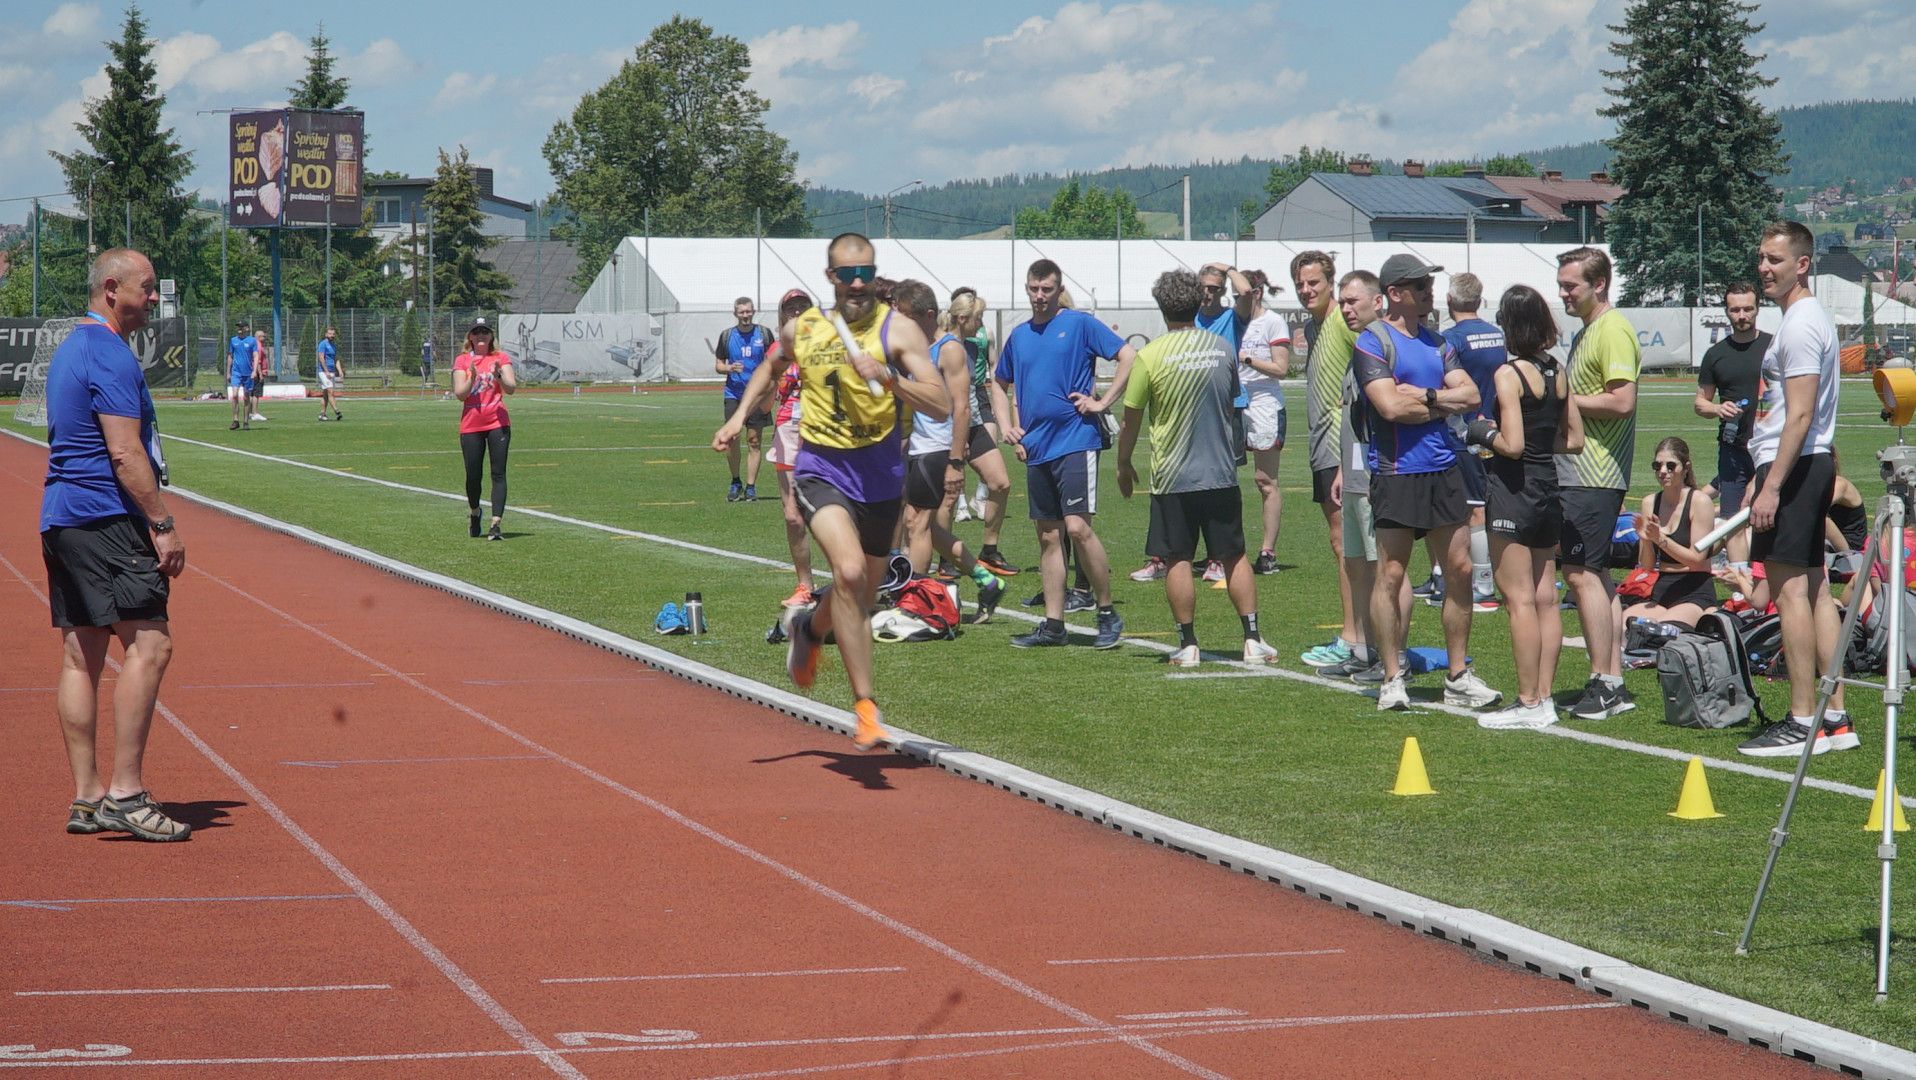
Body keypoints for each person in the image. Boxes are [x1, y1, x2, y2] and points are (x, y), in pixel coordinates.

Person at [715, 233, 948, 752]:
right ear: (831, 278)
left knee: (860, 594)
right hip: (821, 468)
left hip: (880, 475)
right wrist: (738, 417)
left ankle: (808, 629)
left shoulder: (898, 328)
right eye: (847, 274)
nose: (858, 282)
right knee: (847, 573)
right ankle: (866, 708)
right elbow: (771, 366)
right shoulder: (805, 328)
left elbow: (940, 402)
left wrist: (889, 378)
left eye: (866, 272)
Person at [40, 248, 189, 841]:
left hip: (63, 517)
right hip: (106, 518)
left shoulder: (71, 348)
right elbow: (125, 453)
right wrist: (162, 523)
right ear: (111, 288)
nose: (154, 297)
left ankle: (88, 796)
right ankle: (127, 793)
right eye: (146, 287)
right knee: (151, 645)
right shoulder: (108, 353)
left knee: (82, 655)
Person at [1352, 254, 1499, 712]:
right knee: (1392, 574)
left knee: (1460, 571)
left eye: (1428, 285)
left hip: (1444, 469)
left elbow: (1471, 395)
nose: (1428, 292)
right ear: (1395, 293)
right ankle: (1392, 677)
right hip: (1396, 473)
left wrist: (1429, 396)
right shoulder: (1372, 342)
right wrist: (1441, 405)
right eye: (1419, 286)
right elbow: (1390, 408)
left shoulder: (1439, 342)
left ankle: (1458, 676)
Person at [1115, 268, 1277, 667]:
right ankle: (1252, 639)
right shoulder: (1222, 349)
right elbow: (1232, 401)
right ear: (1198, 301)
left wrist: (1123, 463)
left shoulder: (1150, 355)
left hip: (1173, 476)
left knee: (1178, 559)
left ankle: (1188, 645)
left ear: (1161, 306)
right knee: (1235, 555)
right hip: (1220, 471)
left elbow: (1131, 418)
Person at [1738, 221, 1853, 758]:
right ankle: (1835, 715)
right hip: (1799, 465)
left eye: (1776, 260)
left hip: (1798, 467)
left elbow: (1801, 414)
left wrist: (1772, 485)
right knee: (1814, 590)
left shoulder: (1802, 323)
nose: (1764, 267)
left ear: (1802, 264)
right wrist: (1763, 475)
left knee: (1791, 594)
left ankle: (1803, 718)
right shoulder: (1799, 319)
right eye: (1762, 258)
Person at [990, 258, 1136, 649]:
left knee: (1077, 528)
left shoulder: (1079, 324)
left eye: (1047, 289)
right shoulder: (1019, 336)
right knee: (1048, 536)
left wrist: (1102, 402)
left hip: (1076, 440)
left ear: (1059, 290)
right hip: (1037, 448)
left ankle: (1106, 612)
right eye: (1034, 289)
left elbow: (1128, 355)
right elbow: (998, 381)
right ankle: (1054, 625)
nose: (1039, 296)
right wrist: (1006, 426)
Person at [1477, 285, 1584, 730]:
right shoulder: (1558, 369)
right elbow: (1574, 439)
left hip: (1514, 489)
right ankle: (1544, 699)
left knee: (1518, 599)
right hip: (1548, 487)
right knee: (1545, 599)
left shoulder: (1508, 374)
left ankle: (1527, 701)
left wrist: (1481, 433)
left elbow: (1513, 445)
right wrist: (1541, 445)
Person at [1555, 246, 1641, 720]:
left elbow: (1622, 401)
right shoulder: (1589, 330)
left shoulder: (1612, 329)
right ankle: (1611, 680)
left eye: (1571, 286)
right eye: (1561, 285)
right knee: (1595, 575)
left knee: (1580, 574)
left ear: (1599, 284)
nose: (1563, 294)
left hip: (1595, 474)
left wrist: (1561, 399)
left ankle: (1604, 682)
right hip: (1583, 472)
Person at [890, 280, 1007, 620]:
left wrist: (955, 461)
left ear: (928, 315)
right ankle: (986, 581)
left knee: (916, 524)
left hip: (937, 446)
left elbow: (962, 408)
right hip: (913, 445)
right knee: (926, 526)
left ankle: (916, 604)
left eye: (906, 316)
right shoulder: (907, 348)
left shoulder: (949, 349)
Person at [1295, 251, 1367, 668]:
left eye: (1314, 283)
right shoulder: (1314, 326)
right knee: (1342, 541)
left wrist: (1349, 448)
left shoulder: (1342, 320)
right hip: (1323, 446)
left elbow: (1374, 358)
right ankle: (1359, 634)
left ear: (1330, 282)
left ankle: (1354, 637)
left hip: (1342, 447)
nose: (1306, 290)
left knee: (1347, 543)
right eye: (1301, 284)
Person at [1438, 272, 1506, 612]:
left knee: (1472, 508)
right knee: (1489, 504)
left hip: (1462, 432)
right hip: (1496, 429)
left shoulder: (1450, 339)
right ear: (1479, 301)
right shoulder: (1497, 335)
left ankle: (1483, 584)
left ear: (1449, 301)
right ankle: (1450, 575)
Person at [1695, 281, 1769, 570]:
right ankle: (1740, 585)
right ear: (1726, 311)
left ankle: (1768, 579)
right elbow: (1700, 403)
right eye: (1735, 310)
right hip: (1733, 450)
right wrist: (1717, 408)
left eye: (1748, 309)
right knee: (1732, 519)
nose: (1742, 315)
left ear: (1758, 308)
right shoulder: (1716, 355)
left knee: (1773, 515)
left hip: (1770, 448)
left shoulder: (1773, 346)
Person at [946, 288, 1019, 576]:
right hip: (952, 427)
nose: (981, 324)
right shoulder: (945, 347)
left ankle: (989, 551)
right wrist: (957, 438)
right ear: (962, 318)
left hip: (974, 422)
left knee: (1000, 484)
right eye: (978, 317)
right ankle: (945, 559)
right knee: (949, 495)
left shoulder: (970, 346)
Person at [1625, 437, 1719, 628]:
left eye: (1670, 466)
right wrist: (1646, 540)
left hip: (1695, 588)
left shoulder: (1700, 502)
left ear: (1686, 468)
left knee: (1662, 630)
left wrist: (1660, 539)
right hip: (1662, 588)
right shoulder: (1650, 502)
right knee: (1622, 624)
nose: (1662, 471)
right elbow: (1647, 566)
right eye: (1657, 465)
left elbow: (1697, 560)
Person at [764, 289, 818, 607]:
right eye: (791, 308)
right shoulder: (777, 350)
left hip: (824, 430)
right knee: (793, 516)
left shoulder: (826, 343)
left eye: (802, 306)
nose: (797, 312)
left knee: (833, 510)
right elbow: (767, 402)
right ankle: (804, 585)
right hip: (787, 430)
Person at [1238, 270, 1291, 575]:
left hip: (1264, 403)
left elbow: (1281, 368)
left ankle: (1267, 551)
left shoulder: (1273, 321)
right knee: (1222, 478)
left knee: (1265, 480)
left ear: (1256, 293)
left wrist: (1247, 359)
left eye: (1242, 295)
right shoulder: (1231, 320)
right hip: (1233, 402)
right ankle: (1223, 551)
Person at [452, 317, 518, 541]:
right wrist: (471, 376)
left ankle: (496, 523)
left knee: (498, 473)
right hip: (472, 423)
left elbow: (511, 388)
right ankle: (475, 512)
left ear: (491, 336)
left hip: (497, 422)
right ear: (470, 337)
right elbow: (460, 394)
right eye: (476, 332)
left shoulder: (500, 358)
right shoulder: (462, 360)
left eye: (485, 332)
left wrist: (499, 375)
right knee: (473, 475)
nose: (481, 335)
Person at [715, 297, 774, 502]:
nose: (745, 315)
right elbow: (718, 365)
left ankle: (751, 486)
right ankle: (735, 481)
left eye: (748, 311)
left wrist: (771, 389)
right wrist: (729, 368)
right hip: (734, 394)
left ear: (753, 311)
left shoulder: (764, 334)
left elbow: (773, 362)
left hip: (757, 396)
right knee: (732, 439)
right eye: (741, 312)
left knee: (754, 441)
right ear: (735, 313)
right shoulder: (727, 336)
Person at [227, 320, 253, 431]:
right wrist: (228, 372)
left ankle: (246, 421)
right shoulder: (233, 340)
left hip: (247, 373)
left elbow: (255, 356)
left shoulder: (251, 341)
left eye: (241, 327)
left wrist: (255, 371)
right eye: (238, 327)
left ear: (246, 328)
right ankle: (235, 420)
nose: (239, 329)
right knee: (234, 395)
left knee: (246, 397)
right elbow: (230, 356)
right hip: (236, 372)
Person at [315, 325, 344, 421]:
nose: (332, 335)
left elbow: (336, 359)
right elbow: (321, 358)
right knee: (330, 391)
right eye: (330, 334)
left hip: (331, 372)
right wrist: (326, 371)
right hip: (324, 372)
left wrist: (340, 370)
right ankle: (337, 411)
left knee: (325, 395)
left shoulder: (333, 345)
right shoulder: (322, 344)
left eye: (333, 334)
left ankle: (322, 414)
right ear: (326, 334)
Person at [249, 329, 271, 423]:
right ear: (258, 337)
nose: (264, 338)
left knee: (252, 394)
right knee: (256, 394)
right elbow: (257, 361)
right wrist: (260, 373)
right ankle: (255, 413)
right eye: (263, 336)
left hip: (253, 372)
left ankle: (250, 413)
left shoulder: (254, 345)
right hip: (257, 373)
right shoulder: (258, 346)